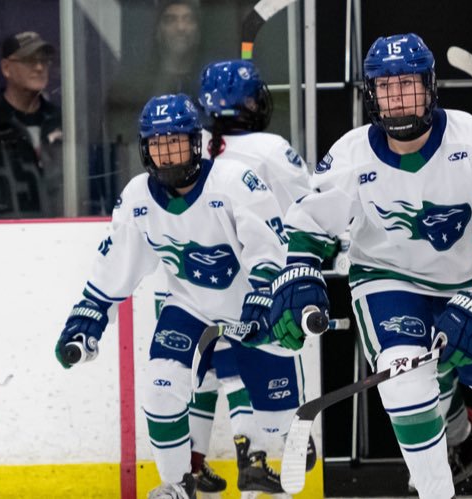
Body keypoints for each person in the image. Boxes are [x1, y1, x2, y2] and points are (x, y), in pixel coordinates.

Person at [260, 33, 472, 499]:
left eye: (407, 83)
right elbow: (311, 226)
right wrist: (299, 270)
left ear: (430, 87)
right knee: (404, 383)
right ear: (371, 94)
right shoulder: (352, 153)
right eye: (386, 87)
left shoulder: (469, 138)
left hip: (469, 284)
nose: (397, 97)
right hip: (389, 282)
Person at [55, 94, 296, 498]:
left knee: (277, 422)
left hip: (251, 308)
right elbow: (116, 267)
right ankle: (177, 485)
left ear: (195, 142)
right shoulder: (137, 198)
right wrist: (87, 320)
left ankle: (272, 455)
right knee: (161, 385)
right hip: (191, 308)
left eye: (175, 143)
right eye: (157, 145)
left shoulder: (234, 182)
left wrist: (263, 296)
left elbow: (269, 248)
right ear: (145, 149)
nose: (167, 155)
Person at [180, 59, 316, 495]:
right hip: (255, 280)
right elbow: (310, 205)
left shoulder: (190, 144)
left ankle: (193, 467)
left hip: (193, 278)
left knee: (208, 371)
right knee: (251, 361)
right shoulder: (270, 149)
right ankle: (255, 456)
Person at [0, 31, 63, 218]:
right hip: (3, 235)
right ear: (6, 68)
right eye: (29, 60)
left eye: (44, 60)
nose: (39, 67)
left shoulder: (62, 120)